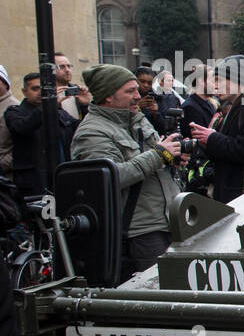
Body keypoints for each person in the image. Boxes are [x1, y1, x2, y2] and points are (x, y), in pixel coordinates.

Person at [69, 64, 186, 279]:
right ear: (107, 97)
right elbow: (110, 178)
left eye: (136, 89)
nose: (138, 95)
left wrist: (173, 159)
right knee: (158, 295)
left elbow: (154, 160)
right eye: (129, 91)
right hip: (139, 230)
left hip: (167, 220)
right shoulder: (91, 132)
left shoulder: (136, 119)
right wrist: (159, 155)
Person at [188, 56, 244, 203]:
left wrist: (212, 138)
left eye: (219, 80)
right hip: (239, 192)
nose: (215, 86)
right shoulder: (243, 104)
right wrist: (206, 141)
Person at [5, 72, 80, 198]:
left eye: (45, 89)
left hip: (62, 178)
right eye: (35, 89)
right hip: (34, 185)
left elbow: (79, 129)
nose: (41, 92)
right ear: (24, 91)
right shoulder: (15, 112)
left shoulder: (60, 112)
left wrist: (86, 105)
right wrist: (48, 104)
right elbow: (22, 127)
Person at [0, 66, 16, 177]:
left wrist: (3, 164)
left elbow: (20, 144)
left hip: (6, 174)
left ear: (5, 83)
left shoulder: (13, 107)